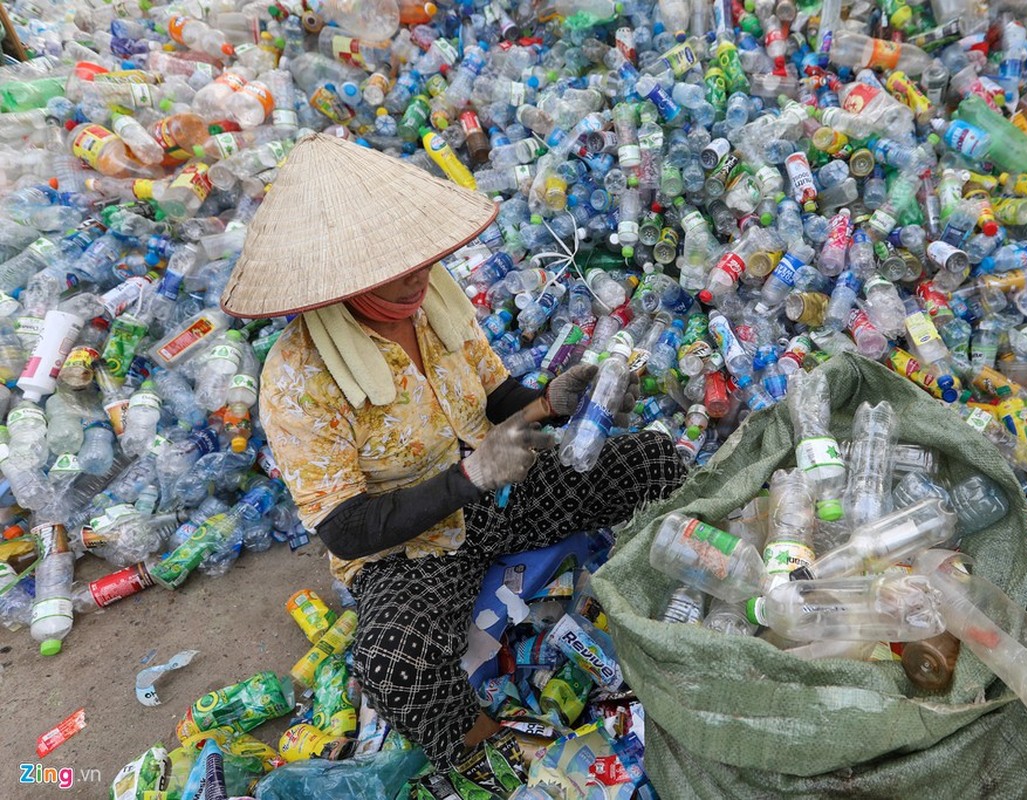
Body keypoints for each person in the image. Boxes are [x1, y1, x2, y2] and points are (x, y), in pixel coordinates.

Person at [220, 133, 686, 777]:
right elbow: (347, 529)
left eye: (420, 259)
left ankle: (687, 609)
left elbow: (496, 398)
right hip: (412, 547)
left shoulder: (436, 299)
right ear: (344, 280)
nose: (418, 276)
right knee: (392, 665)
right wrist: (469, 476)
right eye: (395, 271)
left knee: (655, 463)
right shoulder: (299, 377)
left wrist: (552, 399)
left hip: (504, 481)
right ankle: (496, 753)